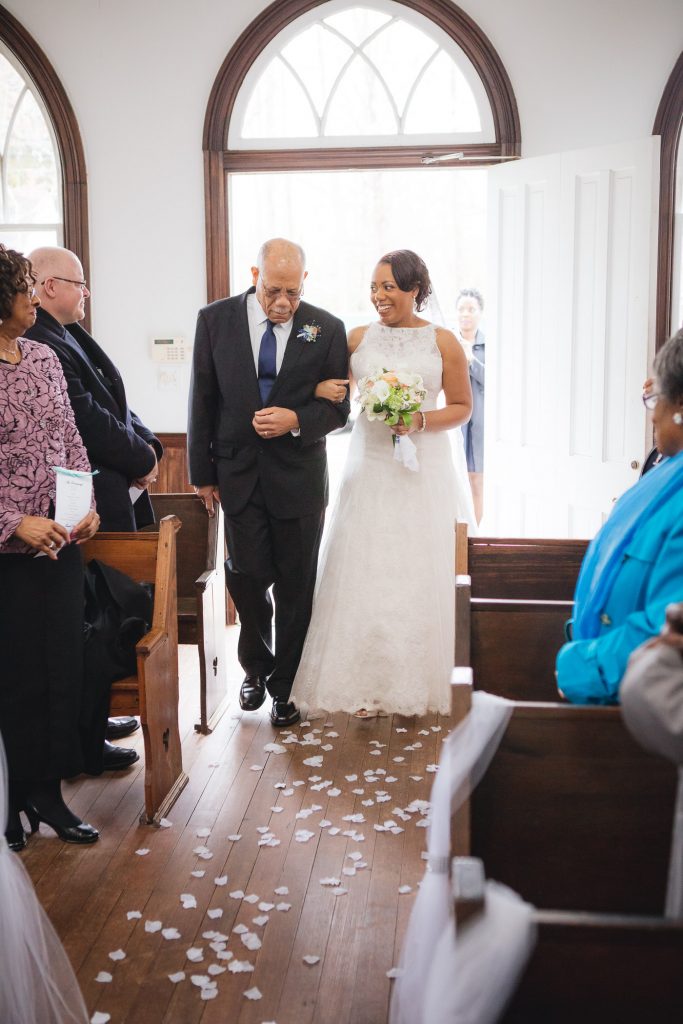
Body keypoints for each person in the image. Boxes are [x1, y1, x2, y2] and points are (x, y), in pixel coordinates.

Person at [290, 249, 475, 718]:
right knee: (366, 567)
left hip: (424, 470)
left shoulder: (444, 342)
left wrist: (418, 418)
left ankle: (426, 677)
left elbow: (461, 407)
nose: (378, 296)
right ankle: (365, 682)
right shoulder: (354, 339)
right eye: (374, 287)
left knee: (419, 567)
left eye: (389, 287)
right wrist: (319, 390)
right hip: (371, 466)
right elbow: (317, 384)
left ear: (415, 290)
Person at [187, 238, 350, 727]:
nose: (283, 303)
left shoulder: (327, 328)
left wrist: (296, 418)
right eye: (274, 290)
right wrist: (202, 475)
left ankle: (286, 686)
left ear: (306, 282)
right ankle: (255, 667)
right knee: (247, 575)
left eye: (293, 293)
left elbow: (339, 408)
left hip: (299, 478)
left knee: (297, 586)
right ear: (254, 273)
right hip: (237, 474)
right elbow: (202, 399)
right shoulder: (214, 320)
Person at [26, 246, 163, 762]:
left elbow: (116, 402)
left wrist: (150, 447)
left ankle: (96, 720)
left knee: (110, 610)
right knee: (98, 616)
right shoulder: (39, 343)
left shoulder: (65, 334)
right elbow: (87, 420)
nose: (87, 293)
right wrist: (138, 459)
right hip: (82, 503)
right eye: (79, 283)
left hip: (110, 489)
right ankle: (85, 738)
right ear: (48, 286)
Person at [0, 244, 100, 850]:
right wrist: (13, 521)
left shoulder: (41, 357)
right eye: (23, 288)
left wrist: (86, 505)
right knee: (15, 680)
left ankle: (47, 794)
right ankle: (10, 799)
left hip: (60, 550)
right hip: (7, 560)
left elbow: (70, 437)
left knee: (64, 671)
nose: (32, 298)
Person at [556, 327, 683, 705]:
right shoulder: (665, 468)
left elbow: (667, 627)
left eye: (655, 397)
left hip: (636, 702)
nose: (651, 414)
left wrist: (579, 667)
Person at [456, 288, 485, 523]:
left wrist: (470, 359)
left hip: (480, 423)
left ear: (480, 313)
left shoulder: (488, 345)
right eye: (461, 309)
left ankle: (477, 533)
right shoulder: (449, 342)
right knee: (457, 478)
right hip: (455, 422)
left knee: (476, 479)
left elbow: (492, 380)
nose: (466, 314)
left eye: (471, 309)